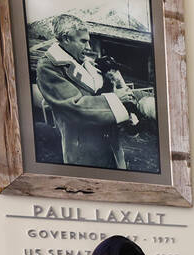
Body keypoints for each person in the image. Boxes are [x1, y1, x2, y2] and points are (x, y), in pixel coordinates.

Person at [36, 14, 142, 169]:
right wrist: (116, 100)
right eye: (83, 41)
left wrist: (114, 84)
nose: (89, 48)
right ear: (66, 39)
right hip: (84, 151)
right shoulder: (48, 67)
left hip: (111, 146)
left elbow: (100, 95)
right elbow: (74, 107)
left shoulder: (88, 64)